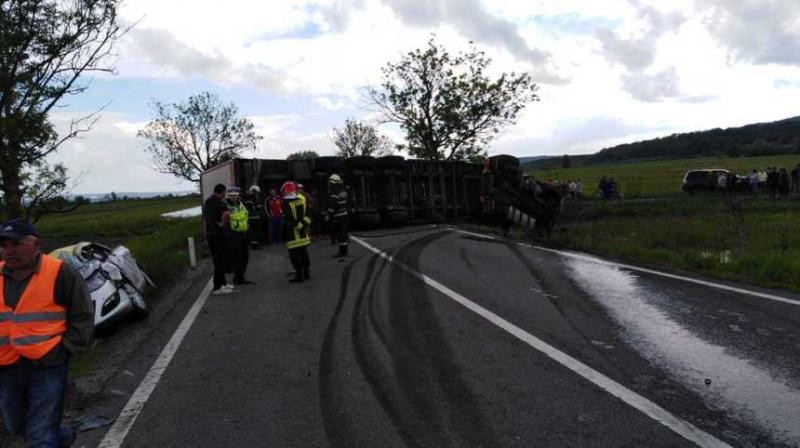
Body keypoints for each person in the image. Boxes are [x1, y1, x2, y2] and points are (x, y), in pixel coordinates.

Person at [0, 219, 93, 447]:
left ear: (36, 244)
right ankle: (63, 436)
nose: (8, 251)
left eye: (16, 244)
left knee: (40, 436)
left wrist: (65, 350)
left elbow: (83, 314)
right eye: (4, 245)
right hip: (6, 366)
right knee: (16, 425)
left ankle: (50, 437)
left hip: (47, 364)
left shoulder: (60, 271)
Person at [204, 183, 235, 295]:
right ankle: (218, 287)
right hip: (219, 235)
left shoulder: (207, 201)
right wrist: (222, 224)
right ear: (222, 192)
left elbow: (206, 217)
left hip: (210, 234)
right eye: (224, 193)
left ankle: (223, 283)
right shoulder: (220, 202)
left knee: (218, 261)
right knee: (220, 261)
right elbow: (226, 214)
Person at [281, 182, 311, 283]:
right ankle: (307, 274)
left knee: (294, 255)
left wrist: (299, 226)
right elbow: (309, 214)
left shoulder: (285, 203)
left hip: (292, 233)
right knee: (304, 253)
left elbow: (289, 218)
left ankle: (299, 276)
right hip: (303, 233)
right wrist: (304, 225)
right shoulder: (301, 200)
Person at [227, 187, 254, 285]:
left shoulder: (241, 204)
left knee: (245, 257)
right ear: (228, 195)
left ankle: (241, 277)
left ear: (238, 195)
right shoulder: (227, 205)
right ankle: (237, 278)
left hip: (243, 233)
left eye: (235, 195)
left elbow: (246, 216)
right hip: (234, 234)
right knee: (237, 258)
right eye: (232, 195)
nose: (233, 197)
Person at [326, 174, 350, 258]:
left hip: (338, 216)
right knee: (343, 234)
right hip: (344, 214)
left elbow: (333, 205)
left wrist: (328, 215)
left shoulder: (335, 192)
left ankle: (342, 252)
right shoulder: (343, 190)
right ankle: (345, 250)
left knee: (340, 234)